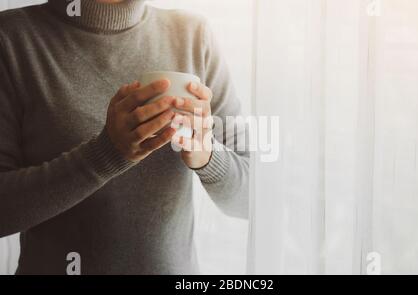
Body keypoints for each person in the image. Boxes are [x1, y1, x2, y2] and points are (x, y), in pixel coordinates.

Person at [0, 0, 249, 275]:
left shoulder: (193, 35)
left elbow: (252, 198)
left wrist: (208, 156)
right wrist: (106, 155)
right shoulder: (11, 38)